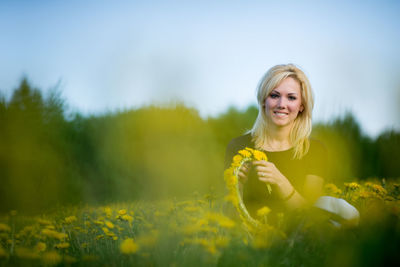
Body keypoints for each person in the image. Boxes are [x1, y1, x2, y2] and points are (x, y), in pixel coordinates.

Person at [224, 64, 328, 219]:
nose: (281, 105)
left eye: (291, 98)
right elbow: (226, 215)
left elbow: (311, 216)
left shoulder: (315, 151)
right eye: (274, 95)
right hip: (250, 241)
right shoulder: (238, 147)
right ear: (264, 100)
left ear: (301, 106)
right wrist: (238, 186)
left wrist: (280, 182)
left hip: (297, 241)